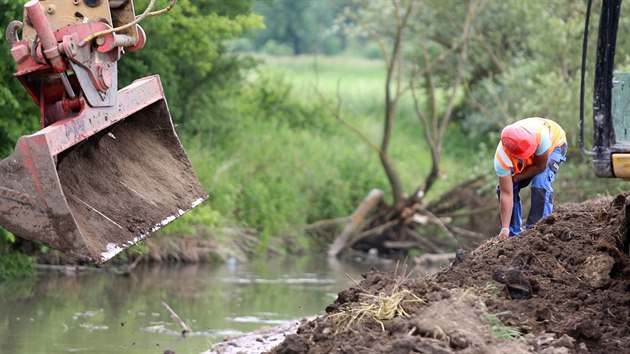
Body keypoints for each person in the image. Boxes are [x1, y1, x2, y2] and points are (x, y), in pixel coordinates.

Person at [495, 117, 567, 240]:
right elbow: (506, 193)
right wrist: (505, 228)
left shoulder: (541, 137)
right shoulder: (501, 159)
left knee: (540, 183)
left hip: (554, 145)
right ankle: (512, 234)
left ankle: (538, 232)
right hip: (530, 156)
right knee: (504, 187)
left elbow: (540, 167)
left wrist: (518, 177)